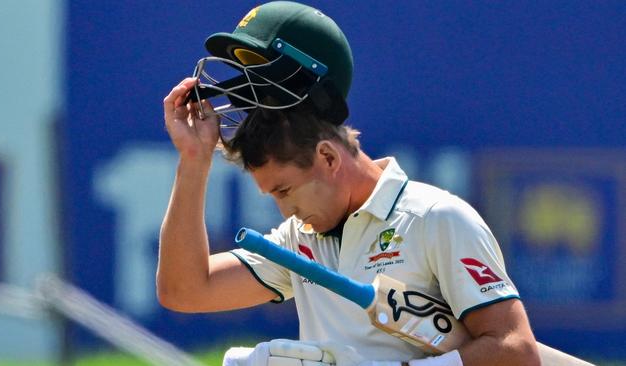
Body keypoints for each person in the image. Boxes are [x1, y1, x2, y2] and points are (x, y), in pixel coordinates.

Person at [158, 2, 540, 365]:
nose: (285, 211)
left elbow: (516, 351)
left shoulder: (437, 218)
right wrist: (194, 161)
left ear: (327, 157)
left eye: (284, 191)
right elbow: (183, 290)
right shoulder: (299, 238)